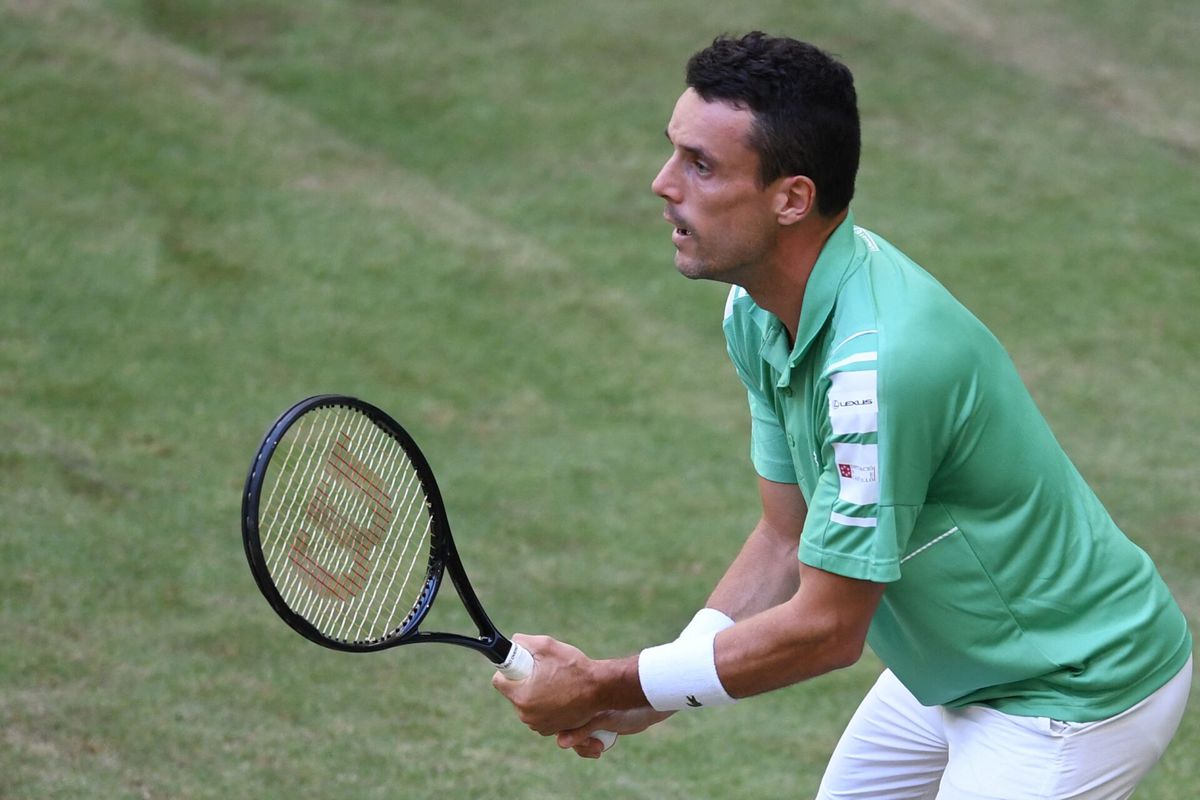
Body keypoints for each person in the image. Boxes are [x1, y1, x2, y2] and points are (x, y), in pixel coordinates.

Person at [492, 32, 1193, 799]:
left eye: (701, 165)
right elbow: (784, 537)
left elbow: (827, 630)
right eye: (674, 153)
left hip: (1070, 688)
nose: (663, 184)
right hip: (953, 664)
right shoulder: (756, 313)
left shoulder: (878, 370)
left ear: (791, 198)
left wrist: (610, 682)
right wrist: (645, 691)